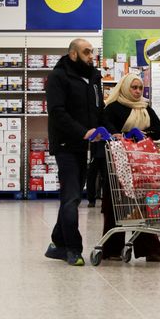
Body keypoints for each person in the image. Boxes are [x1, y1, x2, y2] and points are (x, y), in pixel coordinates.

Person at [44, 38, 104, 266]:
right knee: (71, 197)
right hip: (65, 145)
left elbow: (99, 108)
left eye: (92, 52)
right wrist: (83, 132)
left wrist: (107, 130)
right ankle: (72, 249)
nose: (91, 56)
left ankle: (57, 243)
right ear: (73, 54)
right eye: (86, 52)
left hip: (83, 145)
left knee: (74, 195)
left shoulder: (93, 76)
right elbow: (57, 112)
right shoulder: (59, 77)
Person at [101, 72, 160, 263]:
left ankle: (151, 250)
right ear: (125, 87)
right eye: (134, 87)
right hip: (119, 162)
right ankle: (112, 249)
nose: (138, 91)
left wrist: (141, 134)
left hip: (143, 165)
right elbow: (108, 129)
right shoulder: (113, 108)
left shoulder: (145, 107)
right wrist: (129, 136)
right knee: (117, 205)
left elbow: (159, 130)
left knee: (146, 205)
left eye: (140, 88)